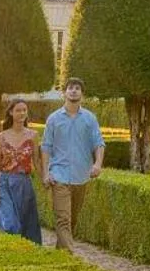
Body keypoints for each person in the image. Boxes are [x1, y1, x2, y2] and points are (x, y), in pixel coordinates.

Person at [39, 79, 104, 253]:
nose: (73, 91)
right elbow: (45, 147)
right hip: (59, 176)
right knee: (63, 219)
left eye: (77, 89)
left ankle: (61, 252)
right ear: (64, 93)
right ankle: (69, 256)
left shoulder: (90, 118)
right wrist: (46, 173)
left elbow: (98, 143)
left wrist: (97, 164)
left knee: (72, 220)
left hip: (81, 176)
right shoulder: (53, 119)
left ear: (82, 93)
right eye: (70, 88)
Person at [0, 98, 42, 244]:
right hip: (4, 183)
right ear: (11, 113)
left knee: (27, 226)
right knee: (10, 223)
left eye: (24, 110)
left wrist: (45, 179)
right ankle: (8, 251)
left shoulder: (33, 136)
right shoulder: (1, 137)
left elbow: (37, 161)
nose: (22, 113)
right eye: (18, 110)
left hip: (24, 184)